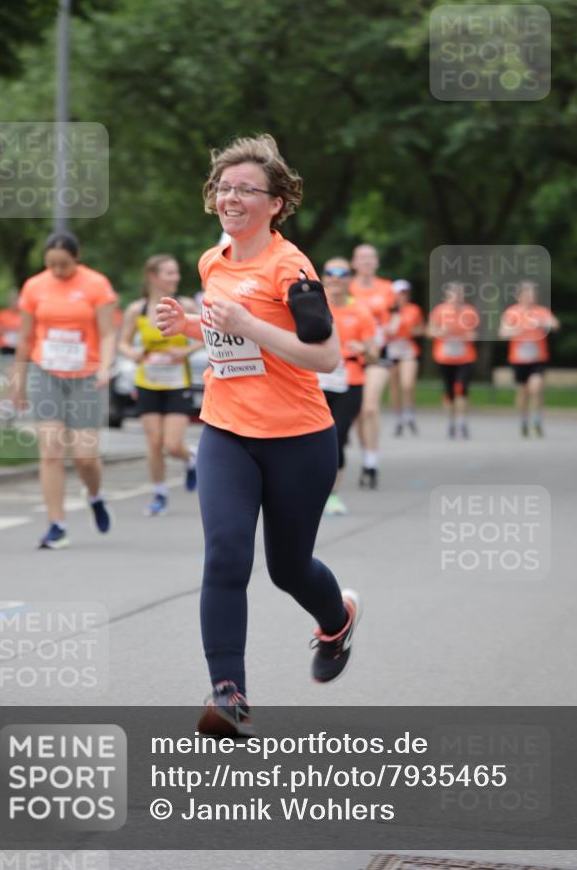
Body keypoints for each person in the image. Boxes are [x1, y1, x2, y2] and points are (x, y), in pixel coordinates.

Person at [156, 134, 361, 736]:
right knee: (225, 555)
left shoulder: (291, 267)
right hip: (226, 431)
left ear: (276, 203)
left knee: (288, 569)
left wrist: (245, 320)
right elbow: (233, 343)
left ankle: (337, 620)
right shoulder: (211, 262)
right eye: (224, 187)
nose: (232, 197)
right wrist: (191, 325)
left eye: (247, 189)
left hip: (299, 437)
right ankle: (230, 694)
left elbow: (325, 355)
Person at [12, 231, 117, 549]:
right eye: (51, 264)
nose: (57, 271)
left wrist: (105, 366)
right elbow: (26, 338)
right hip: (46, 373)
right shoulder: (34, 287)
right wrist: (18, 381)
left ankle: (95, 496)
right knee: (51, 450)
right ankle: (56, 525)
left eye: (64, 265)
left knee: (85, 457)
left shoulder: (96, 285)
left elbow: (108, 333)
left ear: (77, 257)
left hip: (86, 374)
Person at [118, 255, 202, 515]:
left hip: (177, 382)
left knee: (173, 444)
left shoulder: (186, 304)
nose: (175, 278)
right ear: (153, 277)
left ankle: (191, 459)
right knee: (154, 442)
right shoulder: (138, 310)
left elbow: (209, 334)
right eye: (169, 273)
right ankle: (159, 494)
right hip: (148, 382)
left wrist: (185, 353)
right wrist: (134, 355)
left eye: (176, 273)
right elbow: (123, 343)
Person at [318, 257, 377, 516]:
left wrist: (363, 348)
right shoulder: (316, 306)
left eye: (342, 273)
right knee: (312, 437)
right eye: (331, 273)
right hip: (318, 379)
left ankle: (331, 494)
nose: (336, 278)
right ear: (323, 278)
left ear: (349, 279)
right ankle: (310, 490)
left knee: (336, 436)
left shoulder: (360, 311)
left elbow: (375, 353)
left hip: (350, 381)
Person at [348, 243, 398, 489]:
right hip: (352, 353)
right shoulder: (348, 287)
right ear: (354, 263)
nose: (367, 262)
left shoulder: (387, 288)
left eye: (371, 257)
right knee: (358, 412)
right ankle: (367, 460)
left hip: (378, 353)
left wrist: (392, 326)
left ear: (376, 263)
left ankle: (372, 462)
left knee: (369, 407)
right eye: (362, 258)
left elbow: (395, 314)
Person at [499, 281, 560, 437]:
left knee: (536, 387)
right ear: (519, 296)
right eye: (527, 293)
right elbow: (502, 332)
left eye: (533, 293)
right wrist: (515, 329)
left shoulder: (541, 311)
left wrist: (544, 323)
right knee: (522, 392)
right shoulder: (512, 312)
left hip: (538, 358)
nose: (531, 296)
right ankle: (523, 421)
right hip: (518, 359)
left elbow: (555, 324)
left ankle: (537, 420)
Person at [427, 282, 479, 439]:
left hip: (465, 357)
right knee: (449, 391)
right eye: (453, 294)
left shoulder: (470, 311)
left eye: (460, 294)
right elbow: (429, 332)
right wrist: (442, 331)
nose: (457, 297)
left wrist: (466, 335)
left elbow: (475, 334)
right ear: (447, 295)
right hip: (445, 357)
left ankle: (462, 422)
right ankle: (451, 423)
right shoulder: (439, 311)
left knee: (462, 389)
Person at [386, 279, 425, 437]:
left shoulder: (414, 309)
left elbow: (421, 328)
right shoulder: (388, 309)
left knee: (407, 384)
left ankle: (409, 412)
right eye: (398, 293)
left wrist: (413, 330)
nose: (401, 296)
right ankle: (398, 418)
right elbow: (384, 330)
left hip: (407, 348)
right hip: (391, 348)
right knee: (394, 387)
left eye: (404, 293)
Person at [0, 290, 22, 355]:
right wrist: (8, 329)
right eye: (13, 300)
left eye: (16, 300)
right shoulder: (1, 314)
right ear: (8, 301)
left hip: (19, 346)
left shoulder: (23, 315)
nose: (15, 302)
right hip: (5, 347)